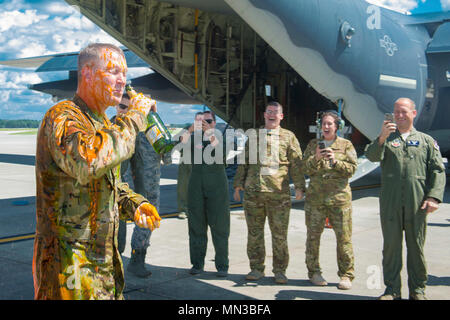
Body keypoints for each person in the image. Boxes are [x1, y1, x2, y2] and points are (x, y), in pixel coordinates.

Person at [32, 43, 161, 300]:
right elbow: (88, 163)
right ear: (88, 74)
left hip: (102, 264)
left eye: (124, 73)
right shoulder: (63, 117)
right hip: (69, 266)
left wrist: (133, 204)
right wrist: (134, 117)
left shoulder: (100, 123)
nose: (122, 80)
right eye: (113, 71)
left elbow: (109, 181)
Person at [365, 97, 446, 300]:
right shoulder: (387, 139)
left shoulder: (426, 141)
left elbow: (438, 170)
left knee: (416, 247)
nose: (399, 115)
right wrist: (382, 137)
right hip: (390, 203)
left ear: (414, 113)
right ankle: (391, 290)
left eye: (404, 111)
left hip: (416, 203)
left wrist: (434, 197)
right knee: (391, 248)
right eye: (396, 112)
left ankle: (417, 290)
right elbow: (372, 156)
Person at [233, 101, 305, 284]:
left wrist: (299, 187)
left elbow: (296, 164)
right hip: (253, 194)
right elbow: (244, 161)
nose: (272, 114)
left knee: (279, 235)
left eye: (276, 112)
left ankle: (280, 271)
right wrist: (238, 184)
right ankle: (256, 269)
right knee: (254, 234)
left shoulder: (289, 137)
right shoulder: (254, 136)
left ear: (281, 116)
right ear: (264, 114)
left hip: (278, 195)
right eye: (269, 111)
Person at [112, 94, 171, 278]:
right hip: (120, 189)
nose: (126, 111)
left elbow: (167, 155)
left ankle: (138, 259)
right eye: (122, 107)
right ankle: (115, 259)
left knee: (147, 217)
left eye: (131, 108)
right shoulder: (110, 129)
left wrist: (156, 119)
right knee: (115, 218)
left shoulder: (149, 127)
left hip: (147, 185)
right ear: (115, 107)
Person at [301, 110, 357, 290]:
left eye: (329, 124)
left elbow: (352, 169)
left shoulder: (346, 145)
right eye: (323, 123)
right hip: (315, 201)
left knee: (344, 239)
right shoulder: (313, 145)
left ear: (337, 126)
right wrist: (316, 157)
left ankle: (346, 275)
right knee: (313, 238)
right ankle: (314, 272)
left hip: (339, 201)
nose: (326, 127)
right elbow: (304, 168)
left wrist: (336, 161)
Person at [181, 110, 230, 277]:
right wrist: (189, 130)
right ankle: (197, 263)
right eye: (200, 121)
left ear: (214, 123)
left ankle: (222, 265)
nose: (204, 123)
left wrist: (209, 133)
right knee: (196, 225)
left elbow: (223, 155)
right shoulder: (193, 137)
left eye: (208, 120)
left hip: (217, 185)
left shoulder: (221, 137)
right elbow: (180, 147)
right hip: (196, 183)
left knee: (220, 226)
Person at [176, 112, 203, 219]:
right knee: (183, 187)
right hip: (186, 161)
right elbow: (181, 141)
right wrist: (190, 130)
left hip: (200, 162)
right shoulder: (187, 129)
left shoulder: (207, 131)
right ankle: (183, 210)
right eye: (198, 120)